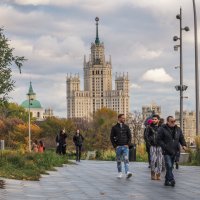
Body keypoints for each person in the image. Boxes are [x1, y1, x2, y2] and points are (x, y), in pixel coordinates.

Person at [157, 116, 187, 187]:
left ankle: (167, 181)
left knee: (170, 167)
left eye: (174, 121)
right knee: (169, 165)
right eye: (172, 121)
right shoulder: (162, 129)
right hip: (166, 151)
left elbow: (181, 138)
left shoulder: (178, 129)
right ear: (167, 122)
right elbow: (158, 140)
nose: (173, 122)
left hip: (175, 151)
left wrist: (184, 145)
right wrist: (164, 146)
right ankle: (172, 179)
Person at [110, 114, 132, 179]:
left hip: (125, 147)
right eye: (122, 118)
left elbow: (130, 136)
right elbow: (111, 137)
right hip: (118, 147)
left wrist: (128, 144)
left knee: (126, 159)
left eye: (124, 118)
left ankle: (127, 172)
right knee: (119, 160)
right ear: (119, 118)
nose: (124, 119)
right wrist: (115, 146)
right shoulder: (114, 127)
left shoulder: (126, 127)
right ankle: (119, 173)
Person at [145, 114, 163, 180]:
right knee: (153, 160)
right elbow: (146, 136)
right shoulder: (149, 127)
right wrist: (149, 144)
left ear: (158, 120)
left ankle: (158, 174)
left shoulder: (162, 127)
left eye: (155, 119)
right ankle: (153, 173)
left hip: (160, 146)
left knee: (159, 161)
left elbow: (164, 136)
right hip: (152, 146)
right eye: (153, 119)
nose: (154, 120)